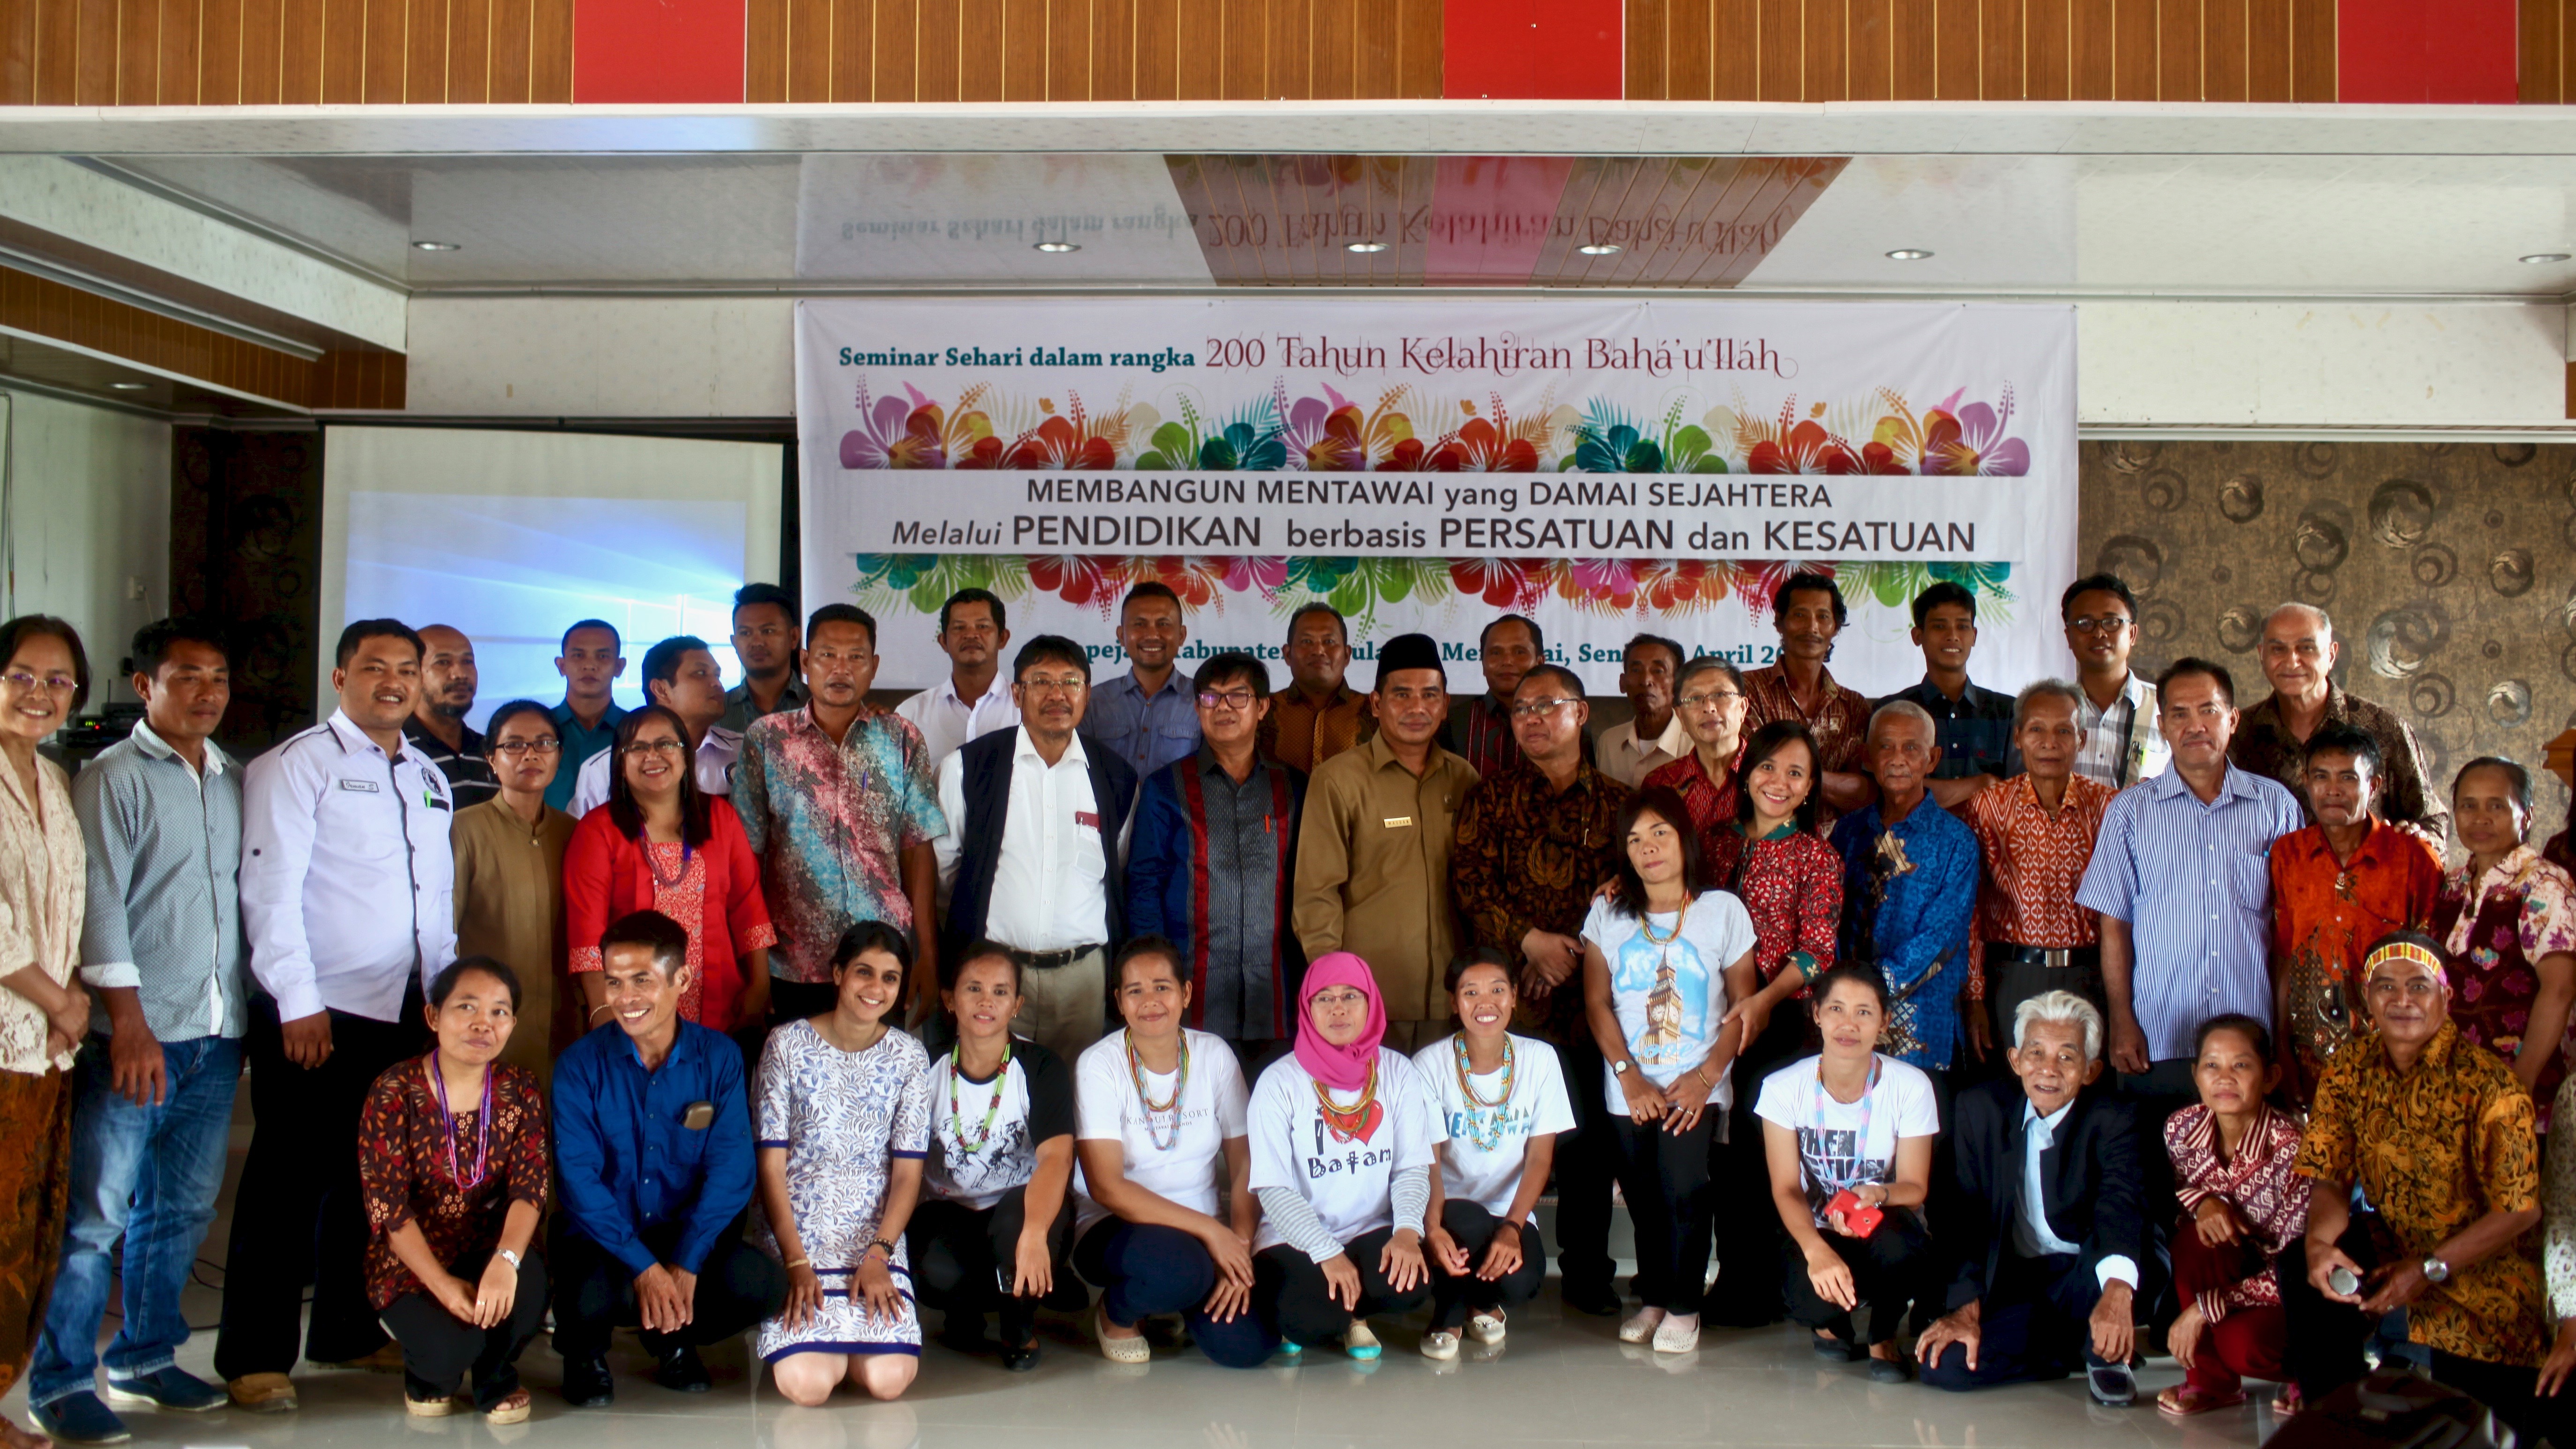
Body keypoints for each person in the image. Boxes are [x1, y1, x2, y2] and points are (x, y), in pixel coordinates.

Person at [221, 619, 457, 1412]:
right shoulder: (295, 766)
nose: (391, 681)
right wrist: (297, 1001)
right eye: (373, 667)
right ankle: (254, 1356)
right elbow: (269, 892)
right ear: (339, 676)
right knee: (286, 1185)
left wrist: (441, 999)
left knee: (373, 1186)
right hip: (318, 1012)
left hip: (402, 1012)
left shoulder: (426, 775)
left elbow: (437, 906)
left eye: (405, 668)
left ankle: (347, 1332)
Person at [30, 619, 239, 1444]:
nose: (206, 692)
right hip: (140, 1032)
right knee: (97, 1214)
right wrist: (129, 1025)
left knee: (181, 1207)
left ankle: (147, 1358)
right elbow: (101, 905)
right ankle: (61, 1378)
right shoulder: (110, 778)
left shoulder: (230, 777)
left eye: (218, 676)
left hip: (218, 1033)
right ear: (143, 685)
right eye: (186, 675)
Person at [2289, 932, 2555, 1441]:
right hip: (2393, 1243)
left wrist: (2429, 1268)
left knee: (2479, 1427)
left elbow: (2520, 1211)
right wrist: (2320, 1244)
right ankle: (2334, 1422)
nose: (2402, 999)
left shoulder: (2492, 1087)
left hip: (2481, 1271)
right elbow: (2330, 1173)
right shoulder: (2347, 1069)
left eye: (2418, 986)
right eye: (2385, 986)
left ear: (2446, 997)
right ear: (2366, 997)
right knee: (2301, 1267)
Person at [1447, 663, 1628, 1315]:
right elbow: (1470, 885)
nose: (1532, 719)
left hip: (1591, 1005)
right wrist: (1528, 944)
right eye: (1521, 709)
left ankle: (1587, 1274)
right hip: (1512, 1008)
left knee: (1588, 1148)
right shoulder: (1489, 798)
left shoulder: (1617, 803)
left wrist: (1569, 953)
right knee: (1505, 1138)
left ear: (1581, 714)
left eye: (1547, 706)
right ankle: (1483, 1260)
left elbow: (1632, 893)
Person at [552, 910, 789, 1406]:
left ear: (681, 978)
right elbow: (578, 1181)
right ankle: (585, 1352)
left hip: (680, 1234)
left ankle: (671, 1337)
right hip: (607, 1240)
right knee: (587, 1290)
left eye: (643, 979)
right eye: (614, 982)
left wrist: (684, 1261)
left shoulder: (720, 1057)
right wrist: (645, 1268)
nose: (626, 998)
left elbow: (731, 1169)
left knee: (760, 1284)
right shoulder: (578, 1065)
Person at [1579, 785, 1759, 1353]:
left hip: (1695, 1083)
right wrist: (1628, 1074)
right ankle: (1654, 1298)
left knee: (1685, 1189)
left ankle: (1685, 1304)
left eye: (1659, 832)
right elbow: (1596, 1003)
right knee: (1643, 1195)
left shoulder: (1721, 909)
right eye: (1634, 838)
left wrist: (1707, 1076)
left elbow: (1741, 1005)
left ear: (1684, 837)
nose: (1648, 847)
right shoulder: (1607, 911)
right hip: (1628, 1086)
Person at [2077, 658, 2302, 1109]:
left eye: (2208, 710)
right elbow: (2114, 926)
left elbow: (2289, 932)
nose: (2194, 725)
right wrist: (2122, 1020)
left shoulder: (2274, 806)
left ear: (2232, 719)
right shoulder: (2130, 812)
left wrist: (2283, 1032)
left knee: (2247, 1172)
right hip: (2160, 1036)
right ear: (2161, 724)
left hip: (2251, 1039)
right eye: (2179, 714)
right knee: (2158, 1173)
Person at [1918, 992, 2147, 1405]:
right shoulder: (1979, 1108)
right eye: (2035, 1052)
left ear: (2091, 1070)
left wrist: (2115, 1293)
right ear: (2014, 1060)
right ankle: (2080, 1349)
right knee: (1947, 1365)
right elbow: (1964, 1215)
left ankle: (2102, 1346)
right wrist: (1965, 1309)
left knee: (2116, 1276)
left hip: (2090, 1270)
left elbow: (2120, 1208)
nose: (2047, 1069)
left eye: (2066, 1057)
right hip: (2019, 1278)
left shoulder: (2114, 1118)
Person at [734, 605, 945, 1023]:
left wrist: (927, 955)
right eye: (828, 654)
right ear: (806, 661)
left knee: (877, 1083)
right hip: (792, 958)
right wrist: (755, 970)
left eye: (855, 657)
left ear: (874, 666)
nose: (841, 669)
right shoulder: (767, 740)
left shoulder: (900, 738)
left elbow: (917, 851)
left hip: (882, 959)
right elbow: (746, 861)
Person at [934, 636, 1140, 1064]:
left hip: (1083, 981)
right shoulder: (968, 768)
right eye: (1041, 681)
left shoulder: (1116, 778)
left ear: (1087, 691)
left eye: (1071, 682)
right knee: (992, 1097)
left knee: (1076, 1105)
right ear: (1016, 692)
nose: (1057, 694)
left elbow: (1116, 873)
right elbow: (946, 872)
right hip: (996, 976)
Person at [358, 958, 546, 1424]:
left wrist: (506, 1262)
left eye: (500, 1011)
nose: (484, 1022)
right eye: (467, 1006)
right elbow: (389, 1208)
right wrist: (441, 1286)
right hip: (412, 1261)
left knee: (529, 1283)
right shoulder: (394, 1090)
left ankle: (495, 1375)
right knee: (449, 1348)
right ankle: (428, 1375)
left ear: (512, 1024)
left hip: (488, 1246)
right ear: (434, 1015)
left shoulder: (519, 1088)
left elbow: (530, 1188)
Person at [1702, 720, 1844, 1327]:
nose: (1778, 782)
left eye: (1795, 772)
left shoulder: (1817, 854)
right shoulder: (1712, 842)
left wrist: (1761, 1002)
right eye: (1767, 767)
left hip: (1777, 1021)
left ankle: (1760, 1286)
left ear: (1810, 786)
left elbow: (1817, 949)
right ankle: (1724, 1276)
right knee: (1716, 1158)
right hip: (1703, 1018)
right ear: (1745, 769)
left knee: (1762, 1155)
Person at [753, 920, 928, 1404]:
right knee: (807, 1385)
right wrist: (793, 1260)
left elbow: (908, 1172)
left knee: (889, 1380)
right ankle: (821, 1346)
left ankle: (851, 1344)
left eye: (890, 977)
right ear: (837, 973)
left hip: (874, 1233)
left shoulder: (909, 1056)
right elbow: (770, 1168)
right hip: (800, 1231)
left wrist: (879, 1255)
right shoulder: (785, 1045)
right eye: (863, 972)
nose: (876, 988)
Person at [1072, 937, 1268, 1368]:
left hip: (1201, 1231)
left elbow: (1244, 1164)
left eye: (1162, 987)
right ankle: (1117, 1314)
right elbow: (1106, 1187)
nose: (1150, 1001)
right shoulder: (1099, 1065)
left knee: (1249, 1348)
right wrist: (1211, 1233)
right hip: (1116, 1226)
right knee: (1182, 1270)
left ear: (1186, 993)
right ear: (1119, 1002)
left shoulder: (1213, 1054)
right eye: (1135, 990)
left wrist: (1238, 1241)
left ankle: (1171, 1299)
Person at [1247, 953, 1441, 1359]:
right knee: (1311, 1321)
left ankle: (1354, 1316)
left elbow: (1411, 1166)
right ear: (1307, 1008)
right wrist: (1326, 1252)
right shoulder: (1279, 1081)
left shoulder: (1398, 1071)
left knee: (1409, 1285)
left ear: (1370, 1003)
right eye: (1323, 998)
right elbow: (1273, 1187)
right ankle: (1336, 1312)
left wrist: (1407, 1232)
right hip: (1294, 1237)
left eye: (1350, 995)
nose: (1338, 1008)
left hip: (1369, 1227)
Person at [1757, 966, 1941, 1382]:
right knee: (1809, 1298)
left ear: (1884, 1021)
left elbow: (1914, 1188)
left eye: (1864, 1012)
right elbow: (1785, 1188)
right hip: (1816, 1227)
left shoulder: (1910, 1086)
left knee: (1901, 1249)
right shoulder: (1783, 1088)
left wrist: (1875, 1194)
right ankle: (1828, 1323)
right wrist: (1815, 1250)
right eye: (1836, 1009)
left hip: (1880, 1222)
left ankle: (1882, 1336)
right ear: (1816, 1013)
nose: (1849, 1025)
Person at [1293, 633, 1478, 1044]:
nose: (1417, 707)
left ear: (1446, 705)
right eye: (1401, 695)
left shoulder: (1463, 779)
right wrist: (1335, 988)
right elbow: (1316, 893)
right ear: (1376, 704)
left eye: (1430, 695)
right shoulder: (1338, 780)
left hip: (1453, 1001)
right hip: (1369, 999)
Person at [0, 617, 90, 1449]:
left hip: (44, 1047)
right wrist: (58, 997)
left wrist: (64, 1003)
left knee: (27, 1224)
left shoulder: (53, 780)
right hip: (12, 1028)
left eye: (57, 681)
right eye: (23, 675)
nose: (39, 694)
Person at [1125, 651, 1306, 1065]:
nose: (1223, 708)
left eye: (1238, 697)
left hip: (1276, 997)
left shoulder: (1293, 787)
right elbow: (1145, 884)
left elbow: (1309, 885)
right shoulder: (1165, 788)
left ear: (1262, 707)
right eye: (1210, 698)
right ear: (1197, 707)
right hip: (1193, 995)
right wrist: (1155, 979)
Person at [907, 943, 1075, 1370]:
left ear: (1017, 1004)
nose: (987, 1001)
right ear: (950, 999)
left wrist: (1036, 1233)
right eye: (974, 989)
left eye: (1001, 992)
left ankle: (1018, 1325)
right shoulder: (924, 1067)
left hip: (1021, 1208)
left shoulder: (1039, 1066)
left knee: (1016, 1228)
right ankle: (962, 1312)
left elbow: (1056, 1157)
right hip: (950, 1208)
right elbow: (902, 1160)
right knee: (932, 1265)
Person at [564, 706, 775, 1040]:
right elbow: (587, 934)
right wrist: (602, 1012)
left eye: (666, 744)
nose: (653, 756)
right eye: (637, 747)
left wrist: (760, 986)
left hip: (722, 1006)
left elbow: (748, 907)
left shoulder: (721, 818)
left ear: (685, 753)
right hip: (632, 1010)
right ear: (619, 761)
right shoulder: (598, 830)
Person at [2266, 721, 2443, 1102]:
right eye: (2321, 777)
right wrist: (2280, 1044)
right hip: (2310, 1057)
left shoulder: (2414, 857)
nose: (2332, 790)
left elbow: (2437, 968)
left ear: (2374, 786)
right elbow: (2284, 957)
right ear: (2306, 782)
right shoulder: (2288, 855)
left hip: (2394, 1056)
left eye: (2347, 777)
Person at [1415, 952, 1574, 1359]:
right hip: (1447, 1207)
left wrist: (1513, 1227)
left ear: (1515, 997)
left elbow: (1540, 1157)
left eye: (1498, 990)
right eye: (1471, 992)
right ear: (1454, 1003)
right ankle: (1448, 1314)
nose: (1486, 1003)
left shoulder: (1539, 1060)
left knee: (1522, 1283)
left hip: (1508, 1210)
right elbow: (1428, 1162)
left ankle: (1482, 1304)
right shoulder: (1429, 1064)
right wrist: (1432, 1228)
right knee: (1465, 1219)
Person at [2156, 1013, 2306, 1418]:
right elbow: (2175, 1193)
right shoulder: (2181, 1129)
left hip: (2293, 1289)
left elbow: (2302, 1268)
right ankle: (2209, 1383)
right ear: (2195, 1075)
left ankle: (2313, 1377)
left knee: (2244, 1348)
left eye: (2241, 1065)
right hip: (2234, 1269)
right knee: (2192, 1240)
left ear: (2270, 1077)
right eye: (2212, 1065)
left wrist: (2205, 1308)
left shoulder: (2294, 1150)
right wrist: (2202, 1202)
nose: (2224, 1077)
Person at [1962, 681, 2116, 1065]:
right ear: (2017, 737)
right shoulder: (1989, 807)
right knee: (2012, 1091)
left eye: (2063, 730)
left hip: (2091, 975)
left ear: (2081, 739)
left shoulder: (2111, 807)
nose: (2050, 742)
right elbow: (1972, 909)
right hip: (2013, 976)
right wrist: (1976, 996)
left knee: (2086, 1094)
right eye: (2036, 730)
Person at [1827, 702, 1977, 1084]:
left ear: (1933, 759)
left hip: (1923, 1025)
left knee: (1918, 1137)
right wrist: (1846, 994)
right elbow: (1832, 920)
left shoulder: (1956, 841)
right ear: (1867, 756)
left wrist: (1870, 989)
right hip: (1846, 1021)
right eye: (1885, 747)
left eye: (1911, 748)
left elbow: (1942, 936)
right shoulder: (1847, 832)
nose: (1897, 759)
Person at [2435, 756, 2576, 1116]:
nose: (2480, 818)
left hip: (2521, 1092)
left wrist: (2519, 1087)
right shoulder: (2451, 885)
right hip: (2451, 1092)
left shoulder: (2543, 884)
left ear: (2526, 815)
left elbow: (2559, 990)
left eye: (2496, 806)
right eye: (2468, 805)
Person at [2230, 603, 2445, 837]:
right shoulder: (2238, 734)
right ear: (2261, 654)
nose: (2292, 661)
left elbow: (2431, 822)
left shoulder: (2383, 727)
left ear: (2331, 654)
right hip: (2273, 873)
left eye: (2306, 648)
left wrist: (2418, 837)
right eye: (2278, 649)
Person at [448, 700, 577, 1076]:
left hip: (563, 1024)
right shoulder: (462, 830)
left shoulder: (575, 833)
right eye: (514, 745)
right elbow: (444, 933)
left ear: (559, 755)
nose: (531, 755)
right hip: (485, 1027)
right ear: (491, 758)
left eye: (544, 743)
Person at [1741, 572, 1874, 826]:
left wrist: (1792, 778)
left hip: (1835, 851)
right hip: (1764, 845)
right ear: (1779, 622)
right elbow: (1752, 775)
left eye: (1823, 617)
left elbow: (1864, 794)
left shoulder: (1853, 705)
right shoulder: (1749, 690)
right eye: (1800, 615)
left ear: (1835, 627)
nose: (1812, 627)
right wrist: (1834, 784)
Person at [1878, 581, 2017, 810]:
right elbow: (1886, 795)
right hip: (1909, 844)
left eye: (1962, 627)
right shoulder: (1891, 712)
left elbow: (2019, 794)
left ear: (1974, 636)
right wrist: (1986, 782)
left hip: (1990, 844)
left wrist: (1921, 787)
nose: (1952, 636)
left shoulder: (2008, 711)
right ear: (1917, 636)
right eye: (1940, 627)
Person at [569, 634, 739, 816]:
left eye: (717, 675)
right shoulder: (603, 768)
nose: (717, 683)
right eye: (701, 674)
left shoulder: (746, 751)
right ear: (661, 690)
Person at [2059, 574, 2169, 791]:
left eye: (2111, 622)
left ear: (2133, 634)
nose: (2099, 633)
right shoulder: (2052, 708)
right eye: (2085, 624)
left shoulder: (2167, 707)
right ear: (2069, 638)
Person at [1083, 582, 1199, 779]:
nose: (1152, 635)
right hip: (1109, 811)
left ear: (1181, 636)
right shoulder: (1093, 701)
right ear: (1122, 636)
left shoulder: (1203, 702)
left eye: (1163, 624)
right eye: (1140, 624)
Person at [1641, 655, 1748, 866]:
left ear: (1743, 708)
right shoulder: (1661, 784)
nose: (1709, 707)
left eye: (1721, 695)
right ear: (1680, 717)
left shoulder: (1771, 778)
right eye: (1694, 698)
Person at [893, 587, 1016, 765]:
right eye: (959, 628)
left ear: (1003, 638)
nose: (971, 635)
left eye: (983, 626)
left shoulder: (1025, 709)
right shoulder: (911, 713)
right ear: (944, 642)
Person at [1258, 602, 1372, 773]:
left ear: (1347, 655)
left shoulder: (1374, 712)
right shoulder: (1262, 712)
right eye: (1307, 641)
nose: (1318, 650)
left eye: (1329, 641)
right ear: (1288, 654)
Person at [404, 625, 497, 809]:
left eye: (468, 661)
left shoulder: (490, 751)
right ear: (412, 673)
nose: (460, 674)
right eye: (443, 662)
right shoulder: (395, 749)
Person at [1443, 614, 1546, 780]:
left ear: (1540, 663)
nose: (1507, 661)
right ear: (1483, 664)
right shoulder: (1455, 722)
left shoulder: (1563, 722)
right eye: (1496, 653)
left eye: (1519, 652)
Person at [546, 620, 628, 812]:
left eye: (602, 656)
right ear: (562, 665)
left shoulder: (637, 731)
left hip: (616, 842)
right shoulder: (537, 730)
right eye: (578, 655)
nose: (590, 665)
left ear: (619, 667)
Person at [1597, 634, 1687, 788]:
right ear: (1623, 683)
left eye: (1658, 671)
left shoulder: (1695, 746)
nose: (1646, 681)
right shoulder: (1609, 742)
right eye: (1636, 670)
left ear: (1678, 684)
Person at [720, 583, 808, 732]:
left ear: (794, 637)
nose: (757, 643)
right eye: (746, 633)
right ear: (734, 643)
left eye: (768, 631)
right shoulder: (717, 712)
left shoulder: (818, 705)